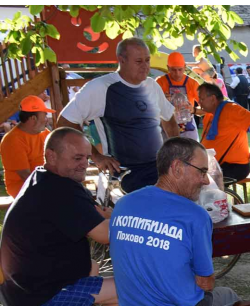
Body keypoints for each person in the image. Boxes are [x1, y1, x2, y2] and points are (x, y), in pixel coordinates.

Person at [110, 137, 250, 306]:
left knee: (161, 295)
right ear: (176, 168)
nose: (206, 181)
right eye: (201, 171)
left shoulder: (124, 204)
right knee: (230, 297)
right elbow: (206, 281)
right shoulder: (194, 215)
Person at [1, 127, 126, 306]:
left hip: (19, 285)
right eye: (77, 158)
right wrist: (130, 220)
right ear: (51, 155)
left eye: (87, 157)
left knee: (91, 265)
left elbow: (88, 216)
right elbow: (106, 235)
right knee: (131, 290)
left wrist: (103, 217)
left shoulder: (44, 177)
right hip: (38, 292)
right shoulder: (60, 190)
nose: (84, 164)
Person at [57, 37, 178, 193]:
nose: (145, 67)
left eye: (147, 61)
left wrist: (176, 150)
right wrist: (95, 156)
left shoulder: (152, 85)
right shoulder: (101, 87)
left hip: (159, 168)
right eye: (139, 61)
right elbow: (65, 122)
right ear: (122, 60)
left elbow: (169, 118)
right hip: (125, 174)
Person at [198, 82, 250, 182]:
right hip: (214, 165)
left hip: (234, 166)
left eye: (202, 99)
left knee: (198, 182)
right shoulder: (210, 114)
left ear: (212, 99)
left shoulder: (231, 109)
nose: (199, 102)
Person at [1, 96, 52, 197]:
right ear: (33, 118)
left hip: (45, 182)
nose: (47, 120)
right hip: (24, 187)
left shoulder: (45, 133)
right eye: (45, 115)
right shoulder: (12, 140)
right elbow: (26, 176)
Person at [156, 52, 200, 140]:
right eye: (173, 70)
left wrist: (194, 110)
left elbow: (206, 108)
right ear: (168, 68)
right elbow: (152, 107)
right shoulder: (160, 82)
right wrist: (163, 101)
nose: (177, 73)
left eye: (180, 69)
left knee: (191, 152)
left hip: (187, 125)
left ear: (185, 67)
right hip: (167, 126)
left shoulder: (192, 83)